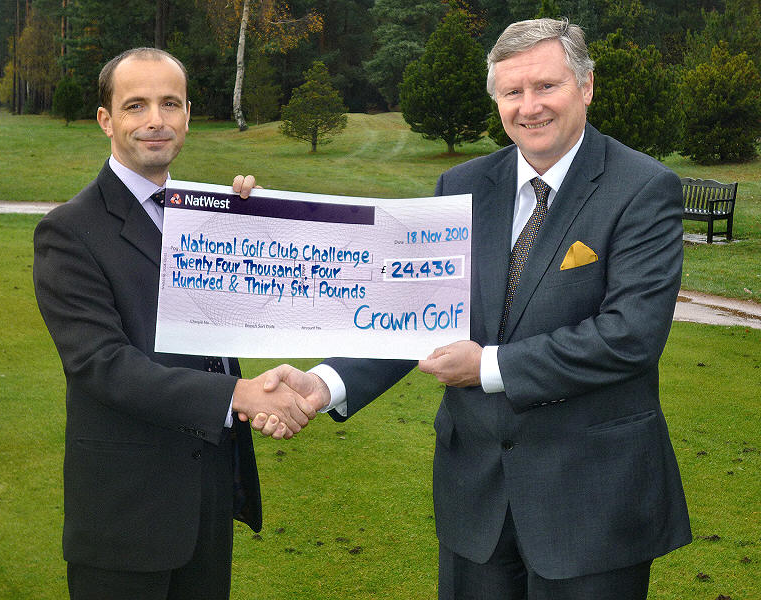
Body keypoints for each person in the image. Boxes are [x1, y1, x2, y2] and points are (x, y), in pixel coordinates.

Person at [259, 18, 691, 599]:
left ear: (586, 86)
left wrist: (487, 367)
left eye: (546, 87)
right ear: (496, 99)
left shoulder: (642, 188)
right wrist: (324, 383)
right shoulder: (459, 187)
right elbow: (409, 313)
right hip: (476, 496)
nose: (529, 107)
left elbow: (629, 335)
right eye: (512, 92)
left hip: (592, 500)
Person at [33, 47, 314, 600]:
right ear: (106, 120)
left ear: (188, 114)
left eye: (170, 103)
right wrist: (239, 394)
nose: (155, 120)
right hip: (126, 510)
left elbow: (263, 308)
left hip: (208, 492)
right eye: (136, 105)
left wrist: (257, 228)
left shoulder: (212, 216)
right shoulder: (68, 230)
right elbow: (102, 365)